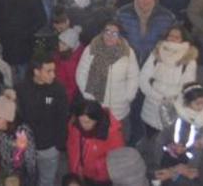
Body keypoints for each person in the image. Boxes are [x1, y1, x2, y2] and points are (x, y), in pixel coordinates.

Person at [17, 53, 70, 186]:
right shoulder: (22, 89)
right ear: (36, 71)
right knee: (27, 178)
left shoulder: (58, 90)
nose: (53, 75)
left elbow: (63, 118)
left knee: (47, 180)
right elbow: (19, 117)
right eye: (48, 71)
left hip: (49, 148)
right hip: (27, 146)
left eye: (54, 70)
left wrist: (58, 144)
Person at [75, 20, 140, 126]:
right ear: (102, 33)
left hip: (120, 106)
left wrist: (128, 96)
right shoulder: (91, 49)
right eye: (107, 32)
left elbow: (134, 76)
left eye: (114, 33)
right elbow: (81, 74)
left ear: (120, 36)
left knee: (120, 139)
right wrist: (88, 95)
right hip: (96, 105)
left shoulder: (128, 52)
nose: (110, 36)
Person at [65, 100, 125, 185]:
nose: (83, 125)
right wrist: (75, 170)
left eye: (88, 122)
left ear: (97, 120)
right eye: (81, 120)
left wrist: (99, 168)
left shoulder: (111, 133)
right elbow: (72, 148)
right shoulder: (75, 125)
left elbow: (118, 158)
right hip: (82, 173)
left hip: (102, 178)